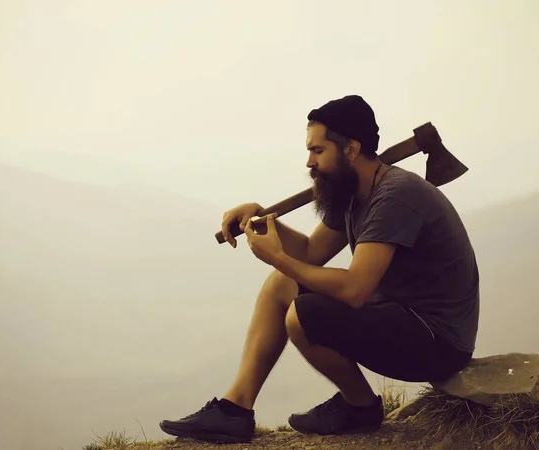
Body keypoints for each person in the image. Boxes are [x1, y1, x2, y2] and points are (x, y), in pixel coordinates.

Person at [159, 95, 480, 443]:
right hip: (399, 316)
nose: (309, 162)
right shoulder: (353, 191)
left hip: (436, 341)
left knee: (303, 314)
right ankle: (234, 410)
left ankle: (360, 406)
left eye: (318, 151)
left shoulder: (395, 196)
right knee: (283, 284)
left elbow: (355, 289)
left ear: (351, 150)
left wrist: (278, 257)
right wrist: (263, 218)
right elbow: (312, 252)